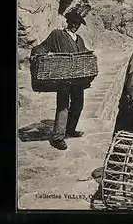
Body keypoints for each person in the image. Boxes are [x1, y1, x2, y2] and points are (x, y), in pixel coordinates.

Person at [30, 8, 90, 150]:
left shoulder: (79, 39)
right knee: (63, 106)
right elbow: (42, 47)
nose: (75, 25)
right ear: (68, 22)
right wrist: (35, 55)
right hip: (62, 77)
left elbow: (84, 53)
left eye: (78, 23)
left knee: (78, 104)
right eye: (73, 22)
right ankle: (57, 137)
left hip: (77, 78)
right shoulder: (57, 35)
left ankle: (70, 129)